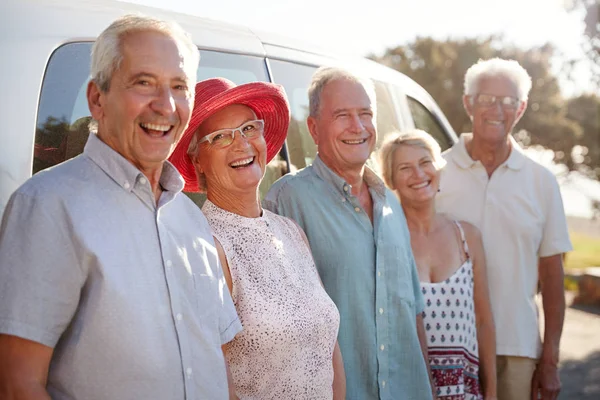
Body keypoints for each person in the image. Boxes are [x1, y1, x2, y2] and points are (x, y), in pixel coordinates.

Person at [0, 15, 241, 400]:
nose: (165, 106)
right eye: (144, 83)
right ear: (97, 98)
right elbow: (16, 383)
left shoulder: (191, 220)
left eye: (179, 86)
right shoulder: (46, 205)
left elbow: (216, 366)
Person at [169, 77, 345, 400]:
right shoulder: (205, 247)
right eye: (221, 137)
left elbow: (329, 348)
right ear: (197, 161)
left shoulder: (292, 232)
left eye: (249, 128)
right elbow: (215, 386)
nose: (242, 144)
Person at [263, 66, 433, 400]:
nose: (357, 127)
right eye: (342, 115)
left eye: (365, 114)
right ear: (313, 128)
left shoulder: (391, 206)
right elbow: (275, 330)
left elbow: (413, 313)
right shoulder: (286, 201)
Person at [436, 58, 572, 400]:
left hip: (517, 348)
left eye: (508, 101)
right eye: (486, 99)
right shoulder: (436, 171)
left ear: (521, 108)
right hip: (447, 341)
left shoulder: (542, 182)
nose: (497, 109)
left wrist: (551, 361)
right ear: (468, 103)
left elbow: (553, 277)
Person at [378, 129, 497, 400]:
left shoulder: (467, 237)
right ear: (390, 180)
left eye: (424, 163)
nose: (418, 174)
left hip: (464, 390)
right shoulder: (386, 240)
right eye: (405, 168)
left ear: (438, 168)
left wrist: (492, 392)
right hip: (408, 389)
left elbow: (484, 321)